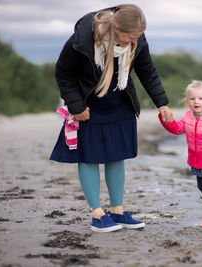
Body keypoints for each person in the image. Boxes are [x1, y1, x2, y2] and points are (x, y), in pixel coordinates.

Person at [50, 4, 172, 233]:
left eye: (138, 36)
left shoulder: (137, 40)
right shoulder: (84, 37)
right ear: (116, 29)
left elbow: (147, 71)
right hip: (88, 105)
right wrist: (76, 106)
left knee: (117, 156)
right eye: (130, 36)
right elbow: (63, 72)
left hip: (120, 102)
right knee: (89, 157)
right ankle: (97, 214)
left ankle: (117, 210)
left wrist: (162, 103)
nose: (134, 41)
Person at [158, 80, 202, 228]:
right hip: (196, 159)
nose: (196, 101)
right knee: (201, 186)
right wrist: (167, 121)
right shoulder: (188, 116)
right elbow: (177, 129)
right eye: (192, 98)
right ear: (187, 101)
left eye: (201, 98)